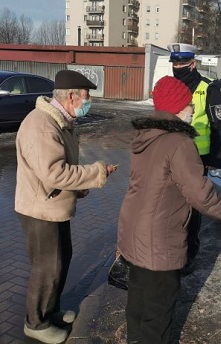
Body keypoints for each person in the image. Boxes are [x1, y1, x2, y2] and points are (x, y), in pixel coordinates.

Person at [117, 76, 221, 344]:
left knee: (138, 303)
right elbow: (199, 193)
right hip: (159, 240)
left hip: (134, 232)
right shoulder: (179, 143)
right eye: (188, 104)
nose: (193, 109)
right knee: (157, 314)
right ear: (177, 107)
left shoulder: (145, 137)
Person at [15, 70, 117, 343]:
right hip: (40, 209)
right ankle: (35, 323)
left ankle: (50, 312)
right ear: (71, 96)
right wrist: (97, 172)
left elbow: (63, 171)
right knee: (47, 267)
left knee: (61, 260)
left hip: (53, 204)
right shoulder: (42, 126)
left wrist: (79, 187)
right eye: (86, 96)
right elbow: (55, 173)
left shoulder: (62, 122)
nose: (89, 101)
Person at [167, 43, 221, 275]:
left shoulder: (208, 88)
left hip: (197, 158)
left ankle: (189, 254)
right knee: (172, 204)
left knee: (192, 208)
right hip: (171, 156)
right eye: (175, 63)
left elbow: (219, 126)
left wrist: (215, 158)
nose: (178, 67)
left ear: (193, 64)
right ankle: (173, 247)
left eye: (182, 63)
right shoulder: (169, 86)